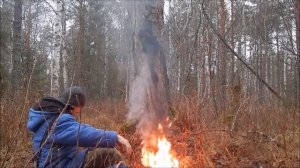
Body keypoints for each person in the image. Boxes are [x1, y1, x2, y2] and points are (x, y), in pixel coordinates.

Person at [27, 86, 132, 168]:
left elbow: (78, 129)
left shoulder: (52, 116)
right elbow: (82, 133)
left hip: (61, 162)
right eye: (79, 110)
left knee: (97, 150)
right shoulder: (59, 121)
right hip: (61, 165)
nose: (78, 113)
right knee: (109, 152)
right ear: (73, 107)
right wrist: (115, 137)